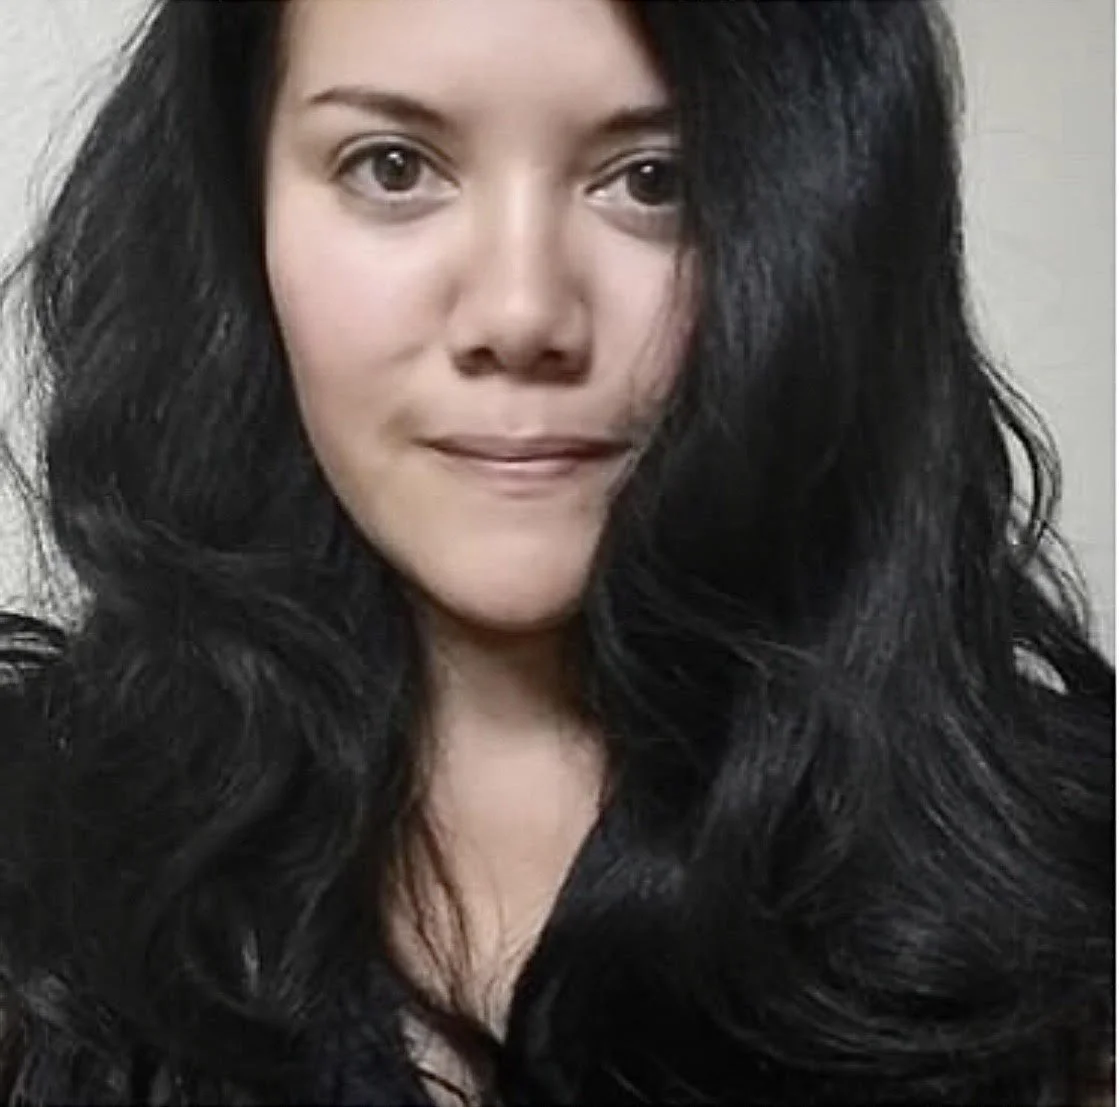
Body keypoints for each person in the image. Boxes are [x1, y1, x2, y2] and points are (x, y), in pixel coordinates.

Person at [0, 0, 1112, 1103]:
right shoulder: (31, 863)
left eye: (655, 181)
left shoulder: (1072, 903)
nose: (522, 314)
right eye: (392, 167)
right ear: (236, 216)